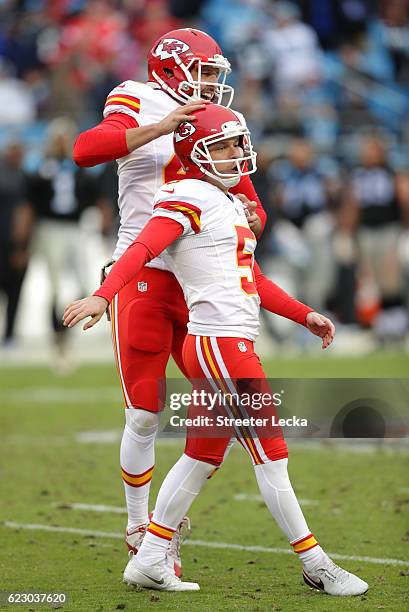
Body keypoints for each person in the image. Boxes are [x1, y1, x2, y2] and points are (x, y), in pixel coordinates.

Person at [63, 103, 368, 597]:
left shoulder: (224, 202)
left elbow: (252, 280)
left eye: (237, 143)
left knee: (204, 453)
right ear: (194, 151)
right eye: (222, 145)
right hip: (220, 344)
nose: (235, 153)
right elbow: (140, 248)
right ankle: (317, 563)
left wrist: (303, 314)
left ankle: (152, 557)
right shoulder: (188, 195)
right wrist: (104, 293)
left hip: (229, 340)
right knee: (272, 454)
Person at [71, 27, 280, 575]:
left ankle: (165, 530)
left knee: (223, 407)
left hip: (199, 280)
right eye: (206, 72)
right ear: (172, 67)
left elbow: (252, 204)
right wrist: (161, 127)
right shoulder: (137, 96)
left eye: (218, 75)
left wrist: (246, 217)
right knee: (144, 410)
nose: (213, 85)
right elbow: (85, 149)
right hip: (142, 273)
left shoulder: (215, 121)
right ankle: (140, 527)